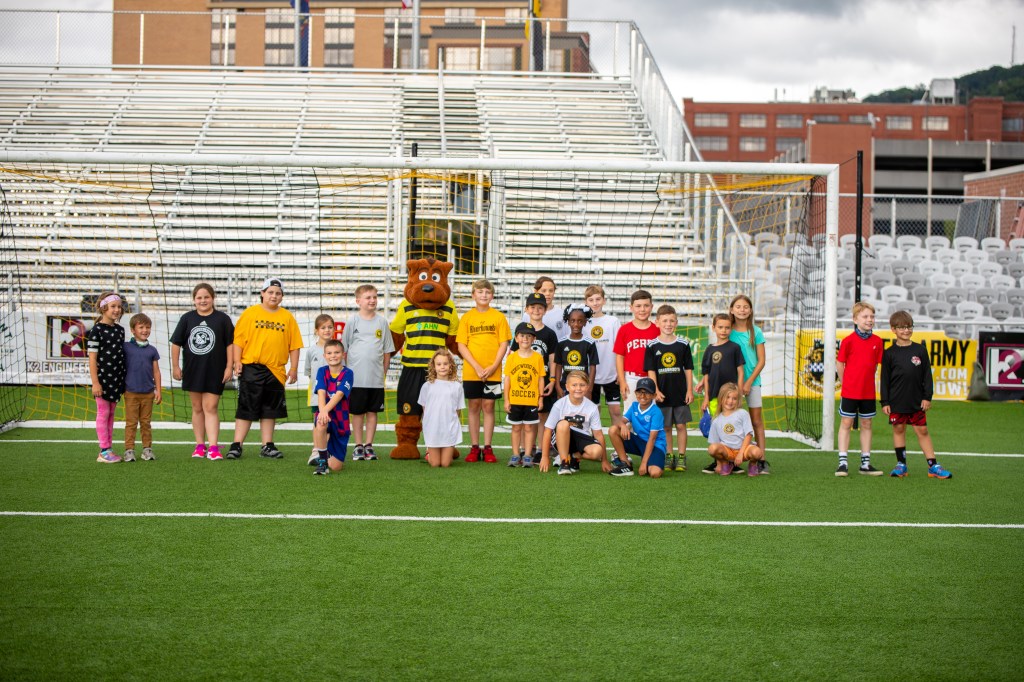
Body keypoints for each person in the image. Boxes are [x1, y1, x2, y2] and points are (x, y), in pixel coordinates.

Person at [227, 277, 303, 460]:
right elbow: (238, 340)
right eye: (270, 292)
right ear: (262, 293)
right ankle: (236, 445)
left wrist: (293, 368)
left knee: (270, 410)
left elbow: (294, 345)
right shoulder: (250, 314)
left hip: (276, 370)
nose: (274, 296)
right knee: (246, 407)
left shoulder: (287, 317)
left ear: (282, 296)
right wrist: (237, 361)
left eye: (278, 293)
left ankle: (267, 445)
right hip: (252, 368)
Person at [881, 311, 952, 480]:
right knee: (898, 429)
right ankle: (901, 465)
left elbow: (927, 375)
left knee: (922, 430)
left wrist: (927, 397)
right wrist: (885, 401)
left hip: (916, 400)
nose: (906, 330)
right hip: (897, 400)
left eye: (909, 327)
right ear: (893, 329)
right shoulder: (889, 353)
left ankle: (933, 466)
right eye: (902, 327)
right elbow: (884, 379)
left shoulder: (920, 350)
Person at [170, 283, 235, 461]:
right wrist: (176, 366)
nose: (203, 300)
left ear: (213, 298)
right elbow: (176, 343)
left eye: (206, 297)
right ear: (194, 300)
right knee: (197, 408)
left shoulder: (223, 319)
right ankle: (200, 445)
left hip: (215, 371)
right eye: (199, 297)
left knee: (211, 407)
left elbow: (230, 344)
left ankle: (213, 447)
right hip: (193, 370)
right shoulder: (187, 318)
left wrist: (229, 366)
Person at [456, 279, 510, 463]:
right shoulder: (467, 318)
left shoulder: (498, 317)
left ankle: (487, 447)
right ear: (473, 295)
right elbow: (461, 345)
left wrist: (494, 366)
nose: (484, 295)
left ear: (492, 295)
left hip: (493, 371)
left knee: (488, 406)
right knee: (473, 406)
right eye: (480, 292)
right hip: (472, 371)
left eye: (487, 292)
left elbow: (504, 343)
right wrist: (477, 367)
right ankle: (474, 447)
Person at [342, 284, 394, 462]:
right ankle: (358, 445)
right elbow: (344, 349)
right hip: (356, 379)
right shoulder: (352, 322)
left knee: (373, 412)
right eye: (368, 297)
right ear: (358, 301)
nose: (372, 300)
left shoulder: (382, 322)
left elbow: (387, 350)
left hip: (376, 379)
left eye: (374, 297)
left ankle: (369, 445)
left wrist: (384, 372)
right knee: (357, 413)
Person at [836, 301, 884, 477]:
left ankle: (865, 463)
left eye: (872, 316)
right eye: (865, 316)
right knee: (846, 423)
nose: (869, 320)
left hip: (868, 392)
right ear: (855, 319)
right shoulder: (848, 341)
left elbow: (877, 366)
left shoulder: (878, 341)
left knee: (867, 423)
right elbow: (840, 363)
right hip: (850, 392)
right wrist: (846, 383)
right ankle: (842, 462)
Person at [644, 304, 693, 472]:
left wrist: (689, 390)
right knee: (665, 427)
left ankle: (681, 457)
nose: (668, 324)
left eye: (672, 321)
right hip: (662, 394)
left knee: (680, 425)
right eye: (664, 320)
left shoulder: (683, 344)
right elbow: (651, 370)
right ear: (657, 322)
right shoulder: (652, 346)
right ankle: (669, 455)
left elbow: (688, 369)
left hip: (680, 393)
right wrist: (655, 390)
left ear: (676, 323)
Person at [696, 313, 745, 474]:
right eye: (720, 327)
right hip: (715, 397)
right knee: (715, 428)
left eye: (727, 327)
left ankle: (734, 461)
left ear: (731, 329)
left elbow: (740, 371)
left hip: (730, 398)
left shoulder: (734, 348)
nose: (724, 330)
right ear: (714, 328)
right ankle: (718, 460)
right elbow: (707, 376)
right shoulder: (710, 349)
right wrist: (706, 397)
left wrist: (738, 393)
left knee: (731, 427)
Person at [538, 370, 611, 476]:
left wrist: (604, 460)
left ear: (587, 387)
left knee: (597, 451)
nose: (578, 388)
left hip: (581, 438)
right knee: (563, 424)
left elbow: (598, 434)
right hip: (561, 436)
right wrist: (544, 456)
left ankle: (574, 457)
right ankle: (564, 462)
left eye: (582, 385)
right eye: (574, 385)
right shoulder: (559, 404)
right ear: (567, 387)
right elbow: (548, 430)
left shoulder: (592, 407)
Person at [729, 294, 768, 473]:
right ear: (731, 310)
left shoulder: (756, 332)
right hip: (731, 384)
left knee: (756, 420)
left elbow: (761, 360)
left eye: (745, 307)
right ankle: (728, 457)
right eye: (738, 306)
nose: (742, 310)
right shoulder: (727, 331)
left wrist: (749, 381)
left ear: (750, 310)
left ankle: (761, 458)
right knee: (730, 420)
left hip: (752, 382)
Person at [88, 291, 127, 463]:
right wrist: (95, 383)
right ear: (103, 308)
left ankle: (109, 448)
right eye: (113, 306)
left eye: (119, 306)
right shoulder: (96, 330)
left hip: (116, 379)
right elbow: (92, 358)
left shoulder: (120, 330)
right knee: (103, 412)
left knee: (111, 413)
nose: (117, 310)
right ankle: (103, 450)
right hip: (103, 380)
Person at [503, 322, 546, 467]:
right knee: (516, 428)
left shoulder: (538, 357)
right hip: (515, 399)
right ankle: (516, 454)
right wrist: (506, 400)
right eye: (522, 336)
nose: (525, 339)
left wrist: (540, 398)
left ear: (533, 339)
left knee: (529, 428)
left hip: (531, 400)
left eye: (529, 336)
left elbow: (541, 378)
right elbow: (507, 379)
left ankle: (527, 455)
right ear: (516, 338)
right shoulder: (511, 357)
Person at [511, 292, 558, 429]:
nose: (536, 310)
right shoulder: (520, 330)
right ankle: (524, 448)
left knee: (542, 414)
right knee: (522, 418)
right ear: (526, 309)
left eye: (540, 307)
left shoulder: (550, 333)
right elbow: (513, 356)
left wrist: (553, 379)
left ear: (545, 310)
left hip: (542, 379)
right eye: (532, 307)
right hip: (523, 380)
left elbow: (552, 358)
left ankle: (540, 448)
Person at [122, 312, 162, 462]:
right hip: (131, 392)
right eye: (141, 327)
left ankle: (147, 449)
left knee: (146, 422)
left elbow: (156, 372)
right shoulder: (125, 347)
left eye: (148, 327)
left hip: (148, 393)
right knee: (131, 423)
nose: (145, 330)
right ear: (133, 329)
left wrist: (157, 389)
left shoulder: (152, 350)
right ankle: (129, 450)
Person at [312, 339, 354, 476]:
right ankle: (322, 461)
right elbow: (321, 392)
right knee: (320, 421)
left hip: (341, 420)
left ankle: (328, 451)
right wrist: (322, 412)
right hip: (327, 414)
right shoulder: (322, 371)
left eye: (336, 352)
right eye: (329, 353)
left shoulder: (348, 373)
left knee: (335, 467)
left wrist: (324, 410)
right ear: (325, 356)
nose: (333, 355)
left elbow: (339, 395)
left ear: (343, 355)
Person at [608, 377, 664, 478]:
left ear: (654, 395)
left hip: (655, 446)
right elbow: (620, 421)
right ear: (635, 393)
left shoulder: (656, 412)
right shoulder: (634, 406)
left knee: (655, 473)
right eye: (639, 392)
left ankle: (650, 461)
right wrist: (623, 426)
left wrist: (643, 463)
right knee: (613, 430)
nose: (642, 396)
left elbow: (652, 438)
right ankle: (625, 464)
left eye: (647, 392)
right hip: (640, 442)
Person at [614, 289, 659, 415]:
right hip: (632, 378)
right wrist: (622, 381)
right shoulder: (625, 329)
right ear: (631, 308)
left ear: (651, 307)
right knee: (630, 415)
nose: (642, 309)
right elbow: (619, 356)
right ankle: (629, 436)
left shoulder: (657, 330)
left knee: (651, 414)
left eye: (646, 305)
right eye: (638, 306)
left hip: (652, 378)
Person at [583, 285, 623, 426]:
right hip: (591, 376)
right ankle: (594, 444)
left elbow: (620, 348)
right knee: (593, 412)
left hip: (611, 374)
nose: (595, 302)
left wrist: (620, 372)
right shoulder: (583, 323)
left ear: (604, 300)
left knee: (616, 411)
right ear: (586, 302)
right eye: (591, 299)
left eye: (598, 299)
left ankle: (619, 447)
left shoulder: (613, 321)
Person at [418, 348, 465, 468]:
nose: (442, 367)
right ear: (433, 366)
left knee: (445, 464)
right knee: (435, 464)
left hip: (449, 428)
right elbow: (425, 409)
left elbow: (458, 410)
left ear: (451, 365)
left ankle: (447, 451)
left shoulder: (457, 386)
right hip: (433, 428)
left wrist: (451, 422)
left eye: (445, 363)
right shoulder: (427, 386)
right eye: (439, 364)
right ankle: (430, 453)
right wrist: (429, 423)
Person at [707, 383, 764, 476]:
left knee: (757, 453)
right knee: (712, 449)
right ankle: (726, 463)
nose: (730, 401)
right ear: (721, 398)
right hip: (727, 451)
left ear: (738, 400)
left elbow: (749, 434)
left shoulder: (742, 413)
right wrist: (719, 463)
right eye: (728, 397)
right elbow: (715, 442)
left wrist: (741, 453)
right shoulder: (716, 420)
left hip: (744, 449)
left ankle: (753, 464)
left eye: (734, 398)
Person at [305, 314, 336, 465]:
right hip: (317, 396)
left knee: (329, 423)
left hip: (334, 396)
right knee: (318, 422)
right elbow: (309, 372)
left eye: (330, 327)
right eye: (323, 327)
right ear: (316, 330)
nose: (327, 330)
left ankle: (326, 449)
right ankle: (316, 449)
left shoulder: (337, 349)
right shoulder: (311, 351)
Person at [553, 304, 599, 397]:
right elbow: (558, 365)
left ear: (585, 322)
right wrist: (557, 386)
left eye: (580, 321)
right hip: (566, 385)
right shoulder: (562, 342)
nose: (576, 324)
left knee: (582, 411)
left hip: (582, 385)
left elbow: (593, 366)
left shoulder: (589, 343)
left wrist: (589, 388)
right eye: (573, 321)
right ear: (568, 322)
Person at [521, 276, 567, 340]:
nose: (548, 293)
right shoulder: (528, 314)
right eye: (544, 291)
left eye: (551, 290)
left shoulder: (562, 314)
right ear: (536, 291)